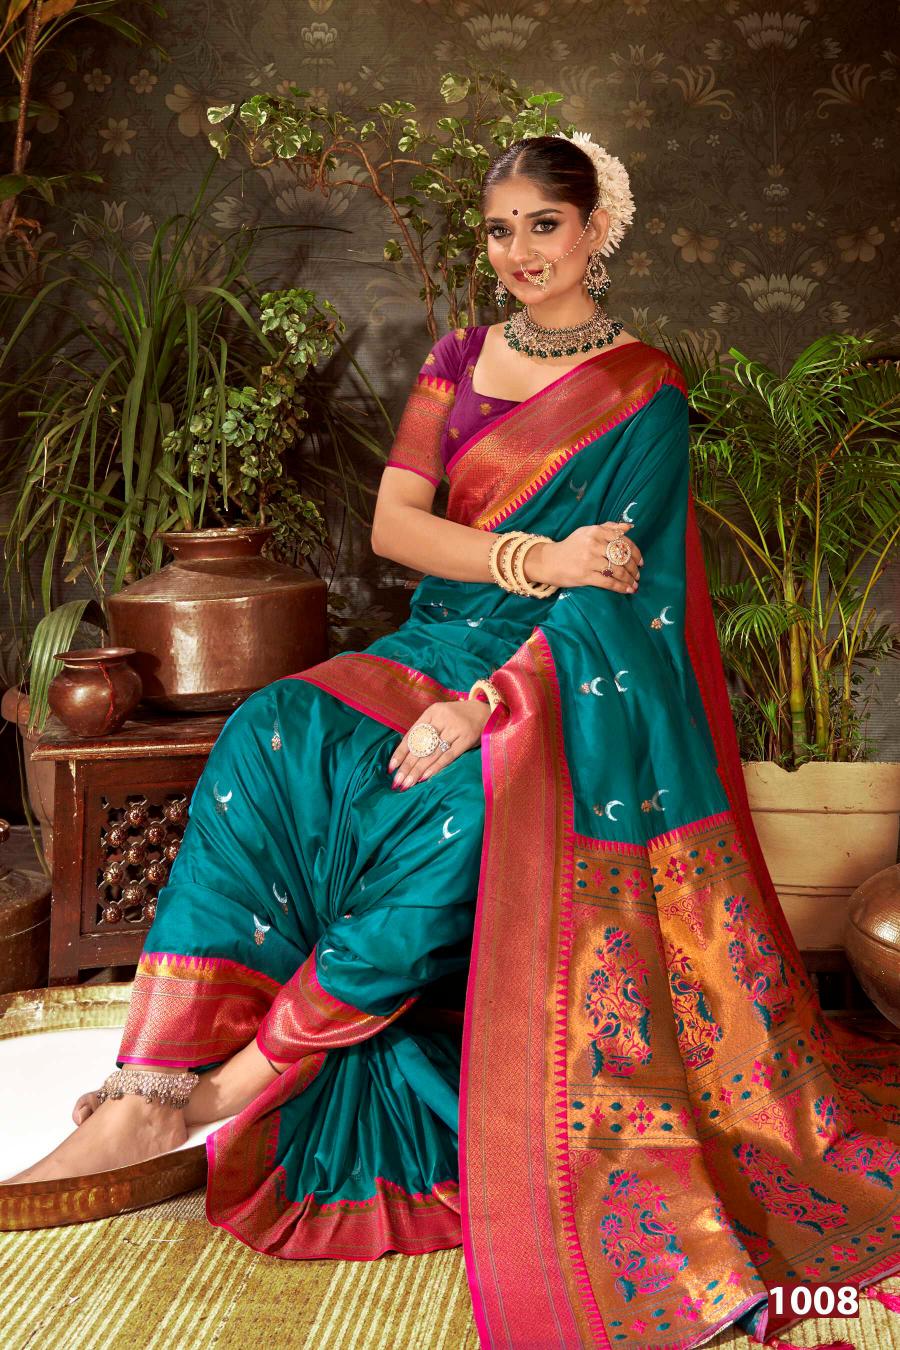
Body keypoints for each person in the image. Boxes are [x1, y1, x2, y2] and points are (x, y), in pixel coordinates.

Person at [6, 130, 899, 1350]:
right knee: (274, 729)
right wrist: (532, 558)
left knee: (458, 804)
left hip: (566, 679)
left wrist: (490, 704)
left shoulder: (645, 389)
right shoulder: (457, 362)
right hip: (439, 635)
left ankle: (224, 1093)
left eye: (544, 224)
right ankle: (151, 1076)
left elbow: (623, 599)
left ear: (596, 229)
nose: (519, 251)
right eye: (499, 228)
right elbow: (396, 528)